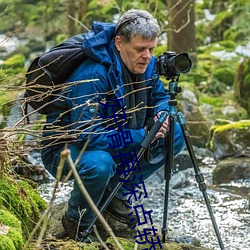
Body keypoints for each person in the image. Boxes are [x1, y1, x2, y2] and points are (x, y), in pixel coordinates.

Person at [41, 9, 185, 241]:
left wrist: (161, 114)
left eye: (151, 49)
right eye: (140, 49)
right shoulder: (92, 75)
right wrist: (141, 135)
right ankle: (76, 222)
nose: (147, 56)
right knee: (100, 164)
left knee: (175, 132)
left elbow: (159, 96)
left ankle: (115, 192)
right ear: (119, 43)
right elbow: (88, 136)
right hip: (68, 150)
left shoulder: (146, 64)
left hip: (117, 136)